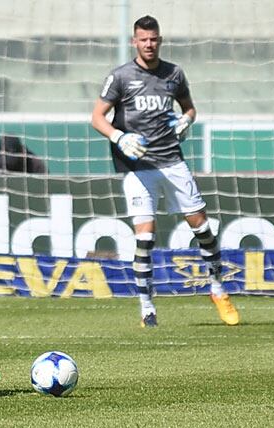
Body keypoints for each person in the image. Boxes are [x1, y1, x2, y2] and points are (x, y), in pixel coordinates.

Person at [91, 15, 240, 328]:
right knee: (145, 238)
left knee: (202, 228)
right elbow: (97, 117)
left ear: (160, 40)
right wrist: (119, 136)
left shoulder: (174, 74)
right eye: (143, 39)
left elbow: (189, 107)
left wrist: (187, 120)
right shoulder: (120, 76)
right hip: (137, 166)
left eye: (154, 39)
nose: (149, 44)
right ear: (135, 41)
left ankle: (217, 289)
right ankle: (147, 308)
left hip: (172, 160)